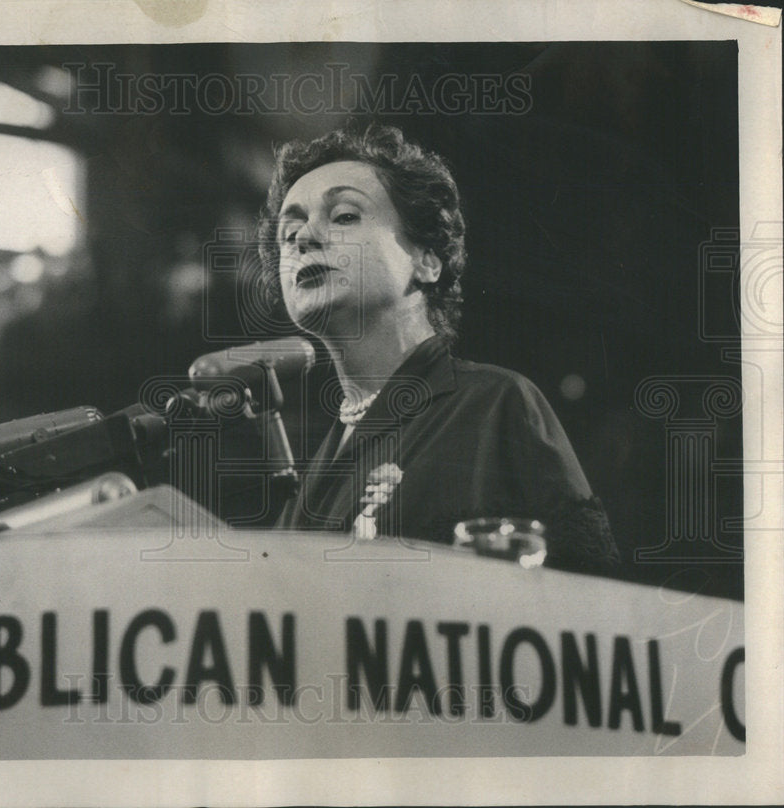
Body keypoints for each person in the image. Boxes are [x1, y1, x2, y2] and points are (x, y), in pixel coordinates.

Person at [257, 124, 619, 573]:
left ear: (427, 259)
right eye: (289, 234)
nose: (303, 239)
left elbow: (589, 596)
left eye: (345, 215)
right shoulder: (313, 476)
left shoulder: (493, 405)